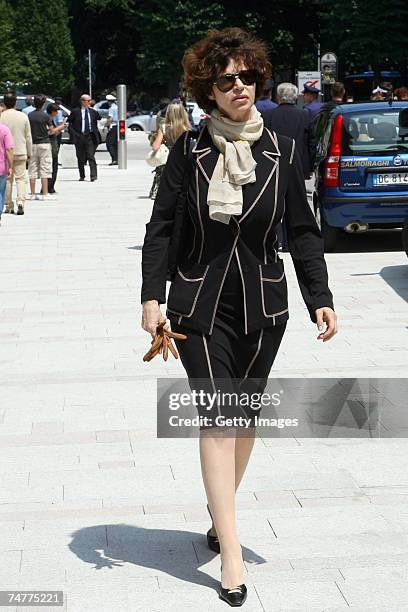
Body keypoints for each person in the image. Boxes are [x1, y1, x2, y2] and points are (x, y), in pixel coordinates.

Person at [141, 27, 337, 607]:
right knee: (219, 418)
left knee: (245, 418)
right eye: (227, 79)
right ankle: (230, 552)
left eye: (248, 76)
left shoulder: (278, 150)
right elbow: (161, 230)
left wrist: (318, 295)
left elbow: (301, 229)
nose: (240, 87)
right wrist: (151, 296)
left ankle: (217, 508)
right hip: (198, 306)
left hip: (265, 304)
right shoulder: (189, 152)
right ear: (209, 90)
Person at [262, 82, 312, 179]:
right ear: (296, 97)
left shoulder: (267, 114)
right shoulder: (303, 115)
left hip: (274, 163)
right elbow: (309, 141)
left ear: (278, 96)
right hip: (297, 163)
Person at [148, 101, 191, 200]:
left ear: (169, 113)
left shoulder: (163, 127)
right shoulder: (187, 129)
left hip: (167, 161)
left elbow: (155, 146)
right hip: (182, 161)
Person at [0, 92, 32, 215]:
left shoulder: (1, 117)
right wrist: (29, 151)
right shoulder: (23, 116)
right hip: (21, 150)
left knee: (8, 179)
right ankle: (20, 201)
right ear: (15, 102)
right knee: (21, 178)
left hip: (5, 153)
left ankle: (8, 204)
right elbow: (28, 136)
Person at [28, 94, 56, 201]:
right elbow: (51, 130)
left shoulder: (30, 115)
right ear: (43, 104)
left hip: (33, 143)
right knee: (45, 167)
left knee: (33, 168)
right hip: (44, 142)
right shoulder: (46, 116)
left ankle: (33, 193)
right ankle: (45, 193)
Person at [67, 93, 101, 182]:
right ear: (82, 101)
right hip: (79, 137)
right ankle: (82, 175)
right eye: (88, 101)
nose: (90, 102)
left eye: (90, 100)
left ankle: (93, 175)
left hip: (90, 136)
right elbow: (69, 123)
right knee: (80, 157)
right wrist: (74, 134)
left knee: (91, 156)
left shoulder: (93, 112)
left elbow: (99, 118)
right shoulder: (75, 112)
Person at [46, 103, 66, 194]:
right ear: (52, 112)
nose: (57, 113)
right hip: (50, 146)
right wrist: (60, 127)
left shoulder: (51, 119)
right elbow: (50, 132)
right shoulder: (47, 119)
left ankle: (50, 186)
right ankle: (48, 187)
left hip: (53, 144)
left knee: (53, 168)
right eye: (56, 111)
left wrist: (57, 131)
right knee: (52, 167)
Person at [0, 121, 13, 226]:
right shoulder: (4, 129)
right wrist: (11, 166)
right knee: (0, 192)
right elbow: (8, 149)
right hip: (1, 166)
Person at [105, 94, 118, 165]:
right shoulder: (117, 107)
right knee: (116, 143)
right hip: (118, 126)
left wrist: (105, 126)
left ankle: (114, 159)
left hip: (113, 126)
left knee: (109, 143)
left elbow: (110, 119)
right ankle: (117, 159)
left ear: (109, 102)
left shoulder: (111, 108)